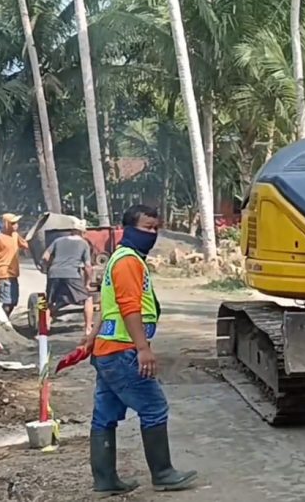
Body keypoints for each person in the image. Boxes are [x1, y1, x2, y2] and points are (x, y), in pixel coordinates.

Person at [87, 204, 196, 495]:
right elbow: (128, 307)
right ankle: (163, 474)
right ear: (128, 229)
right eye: (146, 227)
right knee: (154, 408)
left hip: (107, 351)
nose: (152, 233)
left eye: (155, 228)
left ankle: (105, 480)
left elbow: (105, 306)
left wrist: (91, 337)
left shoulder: (119, 259)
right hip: (123, 352)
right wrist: (143, 348)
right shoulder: (128, 262)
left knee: (104, 415)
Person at [43, 217, 95, 333]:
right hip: (71, 274)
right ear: (82, 232)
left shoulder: (58, 240)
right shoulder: (84, 244)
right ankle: (88, 328)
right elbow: (88, 266)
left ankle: (43, 329)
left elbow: (45, 256)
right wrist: (87, 283)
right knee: (88, 299)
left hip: (54, 273)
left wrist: (51, 267)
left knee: (47, 302)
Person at [0, 213, 27, 317]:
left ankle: (4, 321)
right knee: (7, 303)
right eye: (13, 223)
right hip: (3, 275)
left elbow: (25, 244)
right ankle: (1, 322)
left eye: (16, 223)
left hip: (13, 274)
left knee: (13, 302)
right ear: (6, 224)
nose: (16, 225)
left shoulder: (15, 236)